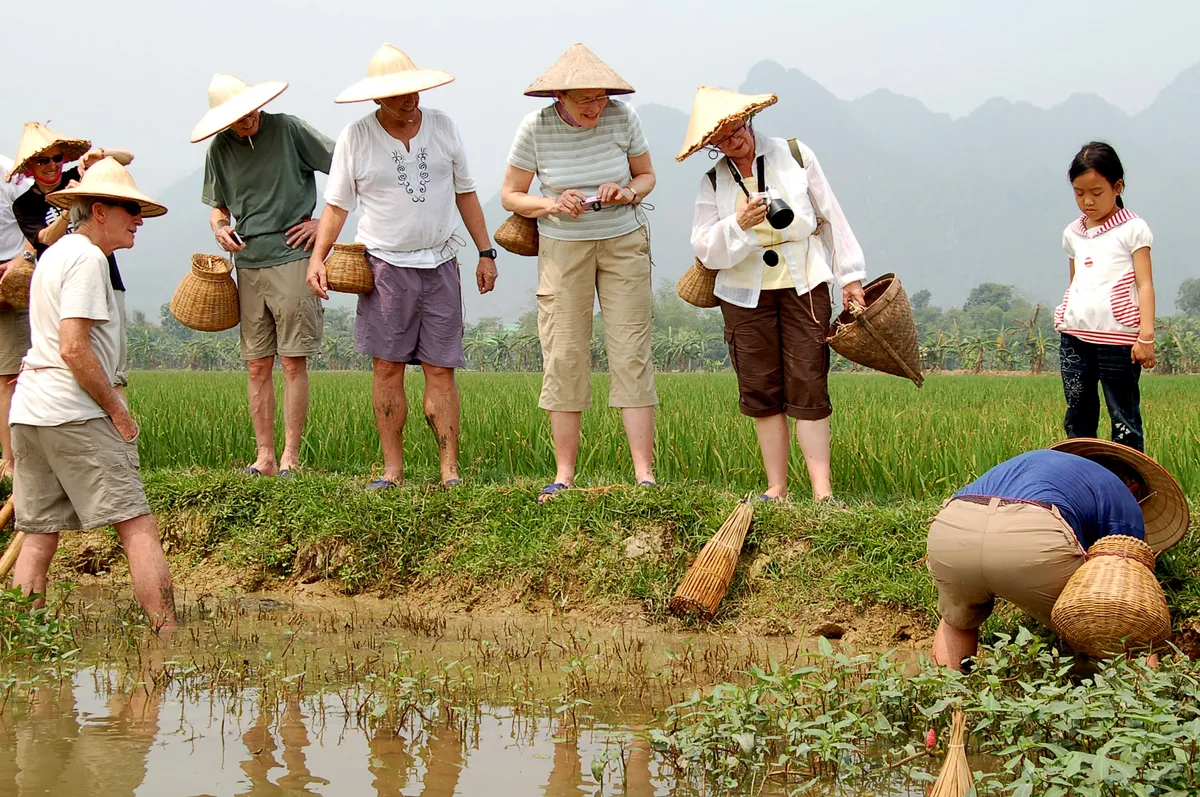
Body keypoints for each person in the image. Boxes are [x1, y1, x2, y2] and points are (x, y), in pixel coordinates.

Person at [307, 44, 497, 490]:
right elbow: (336, 207)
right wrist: (319, 256)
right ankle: (393, 470)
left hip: (442, 261)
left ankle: (450, 470)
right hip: (385, 267)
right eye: (396, 94)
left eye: (412, 91)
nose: (408, 99)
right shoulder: (356, 137)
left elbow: (466, 193)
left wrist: (486, 253)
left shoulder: (444, 127)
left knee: (441, 368)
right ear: (376, 98)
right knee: (387, 368)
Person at [8, 157, 176, 633]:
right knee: (137, 524)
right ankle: (169, 640)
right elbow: (73, 347)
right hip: (74, 412)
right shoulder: (85, 259)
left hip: (31, 412)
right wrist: (116, 411)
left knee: (37, 534)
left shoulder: (54, 254)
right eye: (129, 209)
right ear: (98, 210)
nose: (137, 220)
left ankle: (25, 640)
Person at [679, 87, 866, 504]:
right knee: (762, 390)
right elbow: (705, 248)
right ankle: (776, 488)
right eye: (722, 137)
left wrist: (850, 277)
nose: (734, 139)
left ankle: (823, 493)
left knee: (808, 384)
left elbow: (831, 215)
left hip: (805, 283)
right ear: (711, 145)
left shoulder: (794, 154)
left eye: (737, 127)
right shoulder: (712, 182)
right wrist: (739, 223)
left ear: (749, 119)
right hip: (744, 294)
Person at [499, 43, 658, 502]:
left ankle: (644, 474)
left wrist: (625, 192)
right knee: (564, 353)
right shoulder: (536, 128)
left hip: (623, 241)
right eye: (584, 100)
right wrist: (553, 202)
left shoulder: (623, 118)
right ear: (559, 99)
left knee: (631, 350)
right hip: (562, 246)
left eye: (600, 98)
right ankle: (564, 473)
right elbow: (511, 194)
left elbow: (647, 176)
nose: (595, 107)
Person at [926, 438, 1188, 671]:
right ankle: (1143, 708)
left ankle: (944, 704)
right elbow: (1123, 576)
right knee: (1124, 624)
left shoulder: (1042, 464)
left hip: (952, 527)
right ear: (1135, 491)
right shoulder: (1125, 497)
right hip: (1032, 535)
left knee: (956, 622)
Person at [193, 73, 335, 477]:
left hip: (293, 254)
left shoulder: (289, 129)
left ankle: (291, 455)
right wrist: (220, 228)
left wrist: (322, 223)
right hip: (248, 262)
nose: (246, 120)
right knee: (256, 364)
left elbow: (345, 171)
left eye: (248, 111)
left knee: (292, 361)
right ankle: (265, 456)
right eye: (236, 117)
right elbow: (217, 206)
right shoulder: (219, 149)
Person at [8, 123, 133, 393]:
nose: (52, 165)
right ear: (30, 167)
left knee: (114, 364)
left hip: (104, 277)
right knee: (70, 355)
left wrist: (97, 157)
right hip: (59, 287)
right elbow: (44, 238)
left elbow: (126, 159)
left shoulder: (79, 177)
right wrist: (70, 205)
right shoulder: (25, 205)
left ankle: (117, 423)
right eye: (43, 160)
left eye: (57, 158)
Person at [1054, 142, 1156, 452]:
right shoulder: (1073, 232)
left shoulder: (1133, 229)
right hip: (1074, 338)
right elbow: (1076, 281)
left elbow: (1145, 284)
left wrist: (1146, 337)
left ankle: (1129, 488)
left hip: (1118, 341)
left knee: (1123, 419)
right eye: (1078, 192)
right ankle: (1080, 482)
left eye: (1096, 193)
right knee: (1078, 416)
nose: (1087, 201)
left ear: (1118, 186)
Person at [0, 153, 34, 480]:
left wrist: (20, 260)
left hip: (12, 284)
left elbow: (34, 220)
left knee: (9, 374)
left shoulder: (8, 172)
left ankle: (11, 463)